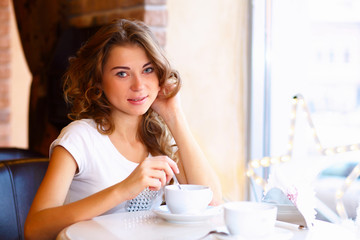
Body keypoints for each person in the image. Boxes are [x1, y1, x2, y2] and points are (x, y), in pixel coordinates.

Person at [24, 18, 222, 240]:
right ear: (98, 81)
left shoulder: (156, 140)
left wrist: (174, 114)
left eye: (148, 70)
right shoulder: (78, 138)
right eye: (122, 73)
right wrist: (123, 189)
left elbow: (212, 203)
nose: (138, 85)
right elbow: (34, 229)